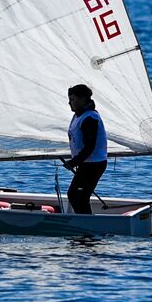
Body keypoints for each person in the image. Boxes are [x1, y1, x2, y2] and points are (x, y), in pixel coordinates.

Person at [62, 84, 107, 214]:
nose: (69, 103)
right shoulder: (78, 115)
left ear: (83, 99)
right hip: (86, 164)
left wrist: (73, 162)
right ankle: (85, 224)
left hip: (94, 164)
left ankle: (88, 228)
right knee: (75, 195)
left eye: (73, 99)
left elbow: (90, 147)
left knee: (78, 196)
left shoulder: (90, 118)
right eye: (69, 99)